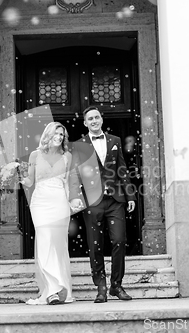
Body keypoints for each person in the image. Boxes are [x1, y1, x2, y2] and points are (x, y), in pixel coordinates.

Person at [69, 106, 136, 303]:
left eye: (97, 117)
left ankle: (116, 285)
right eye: (90, 118)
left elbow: (122, 169)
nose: (94, 121)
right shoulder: (79, 145)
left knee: (119, 241)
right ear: (85, 123)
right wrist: (75, 196)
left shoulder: (114, 141)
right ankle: (101, 287)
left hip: (115, 200)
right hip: (93, 202)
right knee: (95, 245)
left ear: (101, 119)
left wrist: (130, 196)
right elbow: (75, 174)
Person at [21, 122, 73, 305]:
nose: (59, 137)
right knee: (44, 241)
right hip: (40, 202)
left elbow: (68, 182)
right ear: (48, 135)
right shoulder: (35, 155)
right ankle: (52, 290)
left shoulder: (67, 156)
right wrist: (16, 175)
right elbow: (29, 181)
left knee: (58, 245)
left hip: (59, 201)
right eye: (56, 134)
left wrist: (71, 201)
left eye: (61, 135)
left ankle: (61, 286)